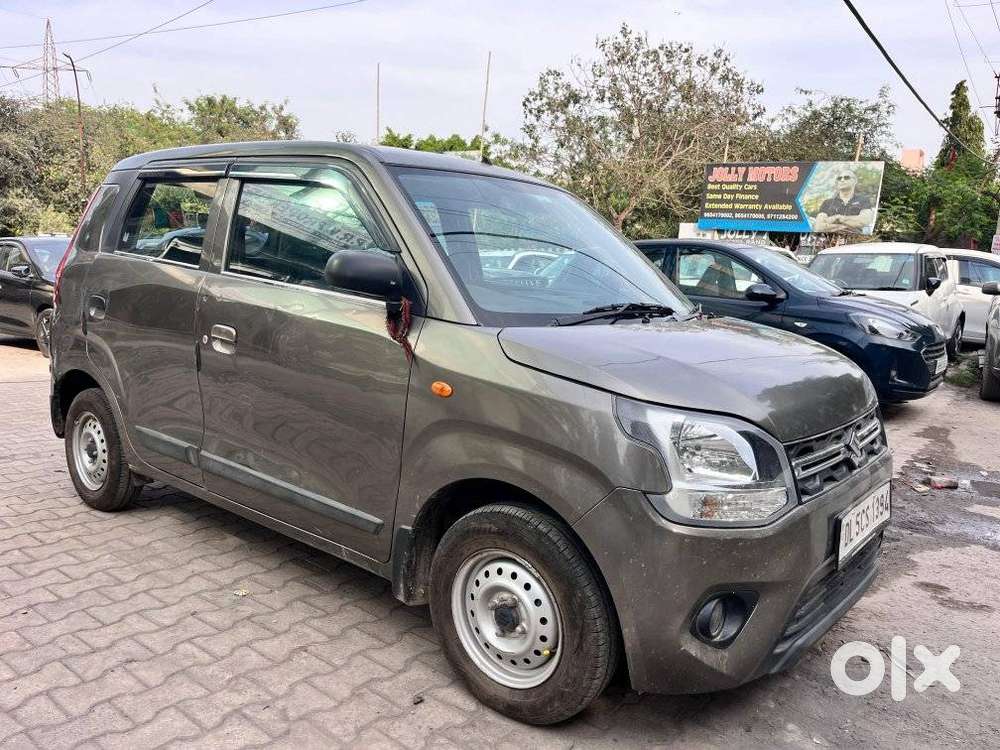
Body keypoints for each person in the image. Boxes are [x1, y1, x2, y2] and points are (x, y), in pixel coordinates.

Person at [811, 168, 875, 234]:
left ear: (855, 181)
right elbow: (818, 227)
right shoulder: (827, 202)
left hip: (854, 238)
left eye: (846, 177)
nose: (842, 180)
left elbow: (864, 221)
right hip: (830, 238)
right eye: (839, 178)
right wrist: (848, 224)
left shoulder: (863, 200)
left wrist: (837, 218)